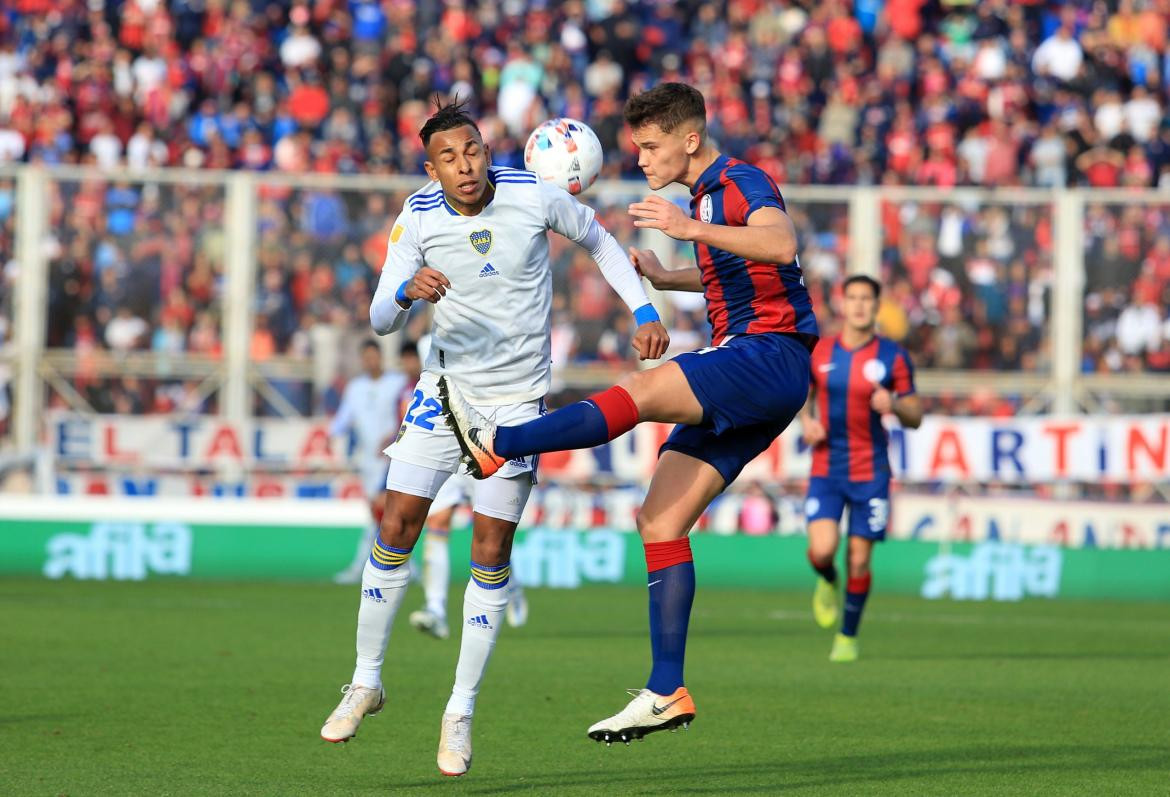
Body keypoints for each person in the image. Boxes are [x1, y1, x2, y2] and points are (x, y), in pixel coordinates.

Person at [441, 82, 818, 744]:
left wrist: (689, 228)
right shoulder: (707, 196)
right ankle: (666, 688)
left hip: (769, 356)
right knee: (660, 518)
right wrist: (667, 275)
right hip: (764, 368)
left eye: (650, 146)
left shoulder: (736, 180)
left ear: (689, 139)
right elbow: (739, 271)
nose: (642, 159)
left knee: (640, 392)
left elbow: (781, 243)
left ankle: (499, 440)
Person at [318, 98, 669, 777]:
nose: (466, 165)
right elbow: (380, 316)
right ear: (432, 168)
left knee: (489, 547)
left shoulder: (533, 194)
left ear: (487, 149)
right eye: (449, 157)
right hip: (443, 395)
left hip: (515, 404)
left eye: (473, 149)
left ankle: (460, 709)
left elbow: (598, 239)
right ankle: (366, 680)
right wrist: (407, 294)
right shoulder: (416, 217)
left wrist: (645, 308)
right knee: (397, 524)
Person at [800, 274, 922, 662]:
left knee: (860, 558)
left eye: (866, 299)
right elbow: (804, 393)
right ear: (842, 303)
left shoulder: (893, 357)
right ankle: (826, 579)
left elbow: (915, 415)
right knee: (822, 550)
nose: (858, 305)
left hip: (871, 471)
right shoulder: (820, 352)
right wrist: (806, 419)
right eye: (852, 297)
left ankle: (848, 637)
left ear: (875, 305)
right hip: (826, 467)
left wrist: (897, 406)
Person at [407, 470, 529, 641]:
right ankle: (435, 609)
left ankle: (511, 586)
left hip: (485, 456)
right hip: (452, 453)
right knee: (437, 521)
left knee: (492, 536)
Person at [329, 340, 407, 584]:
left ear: (381, 357)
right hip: (368, 461)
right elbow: (344, 418)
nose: (371, 361)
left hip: (394, 456)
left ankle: (362, 565)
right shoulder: (355, 388)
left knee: (382, 513)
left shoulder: (397, 384)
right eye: (367, 357)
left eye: (375, 356)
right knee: (383, 515)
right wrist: (331, 435)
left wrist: (396, 434)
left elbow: (405, 414)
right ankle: (404, 565)